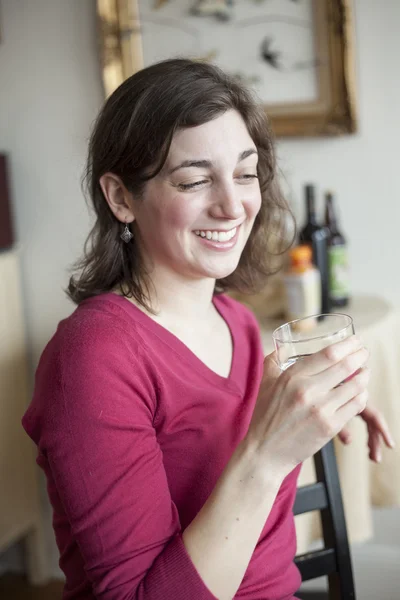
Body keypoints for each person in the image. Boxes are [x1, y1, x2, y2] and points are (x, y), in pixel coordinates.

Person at [22, 58, 394, 600]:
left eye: (245, 174)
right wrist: (266, 455)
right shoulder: (94, 355)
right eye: (195, 180)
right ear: (122, 198)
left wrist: (317, 397)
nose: (232, 205)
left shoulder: (239, 323)